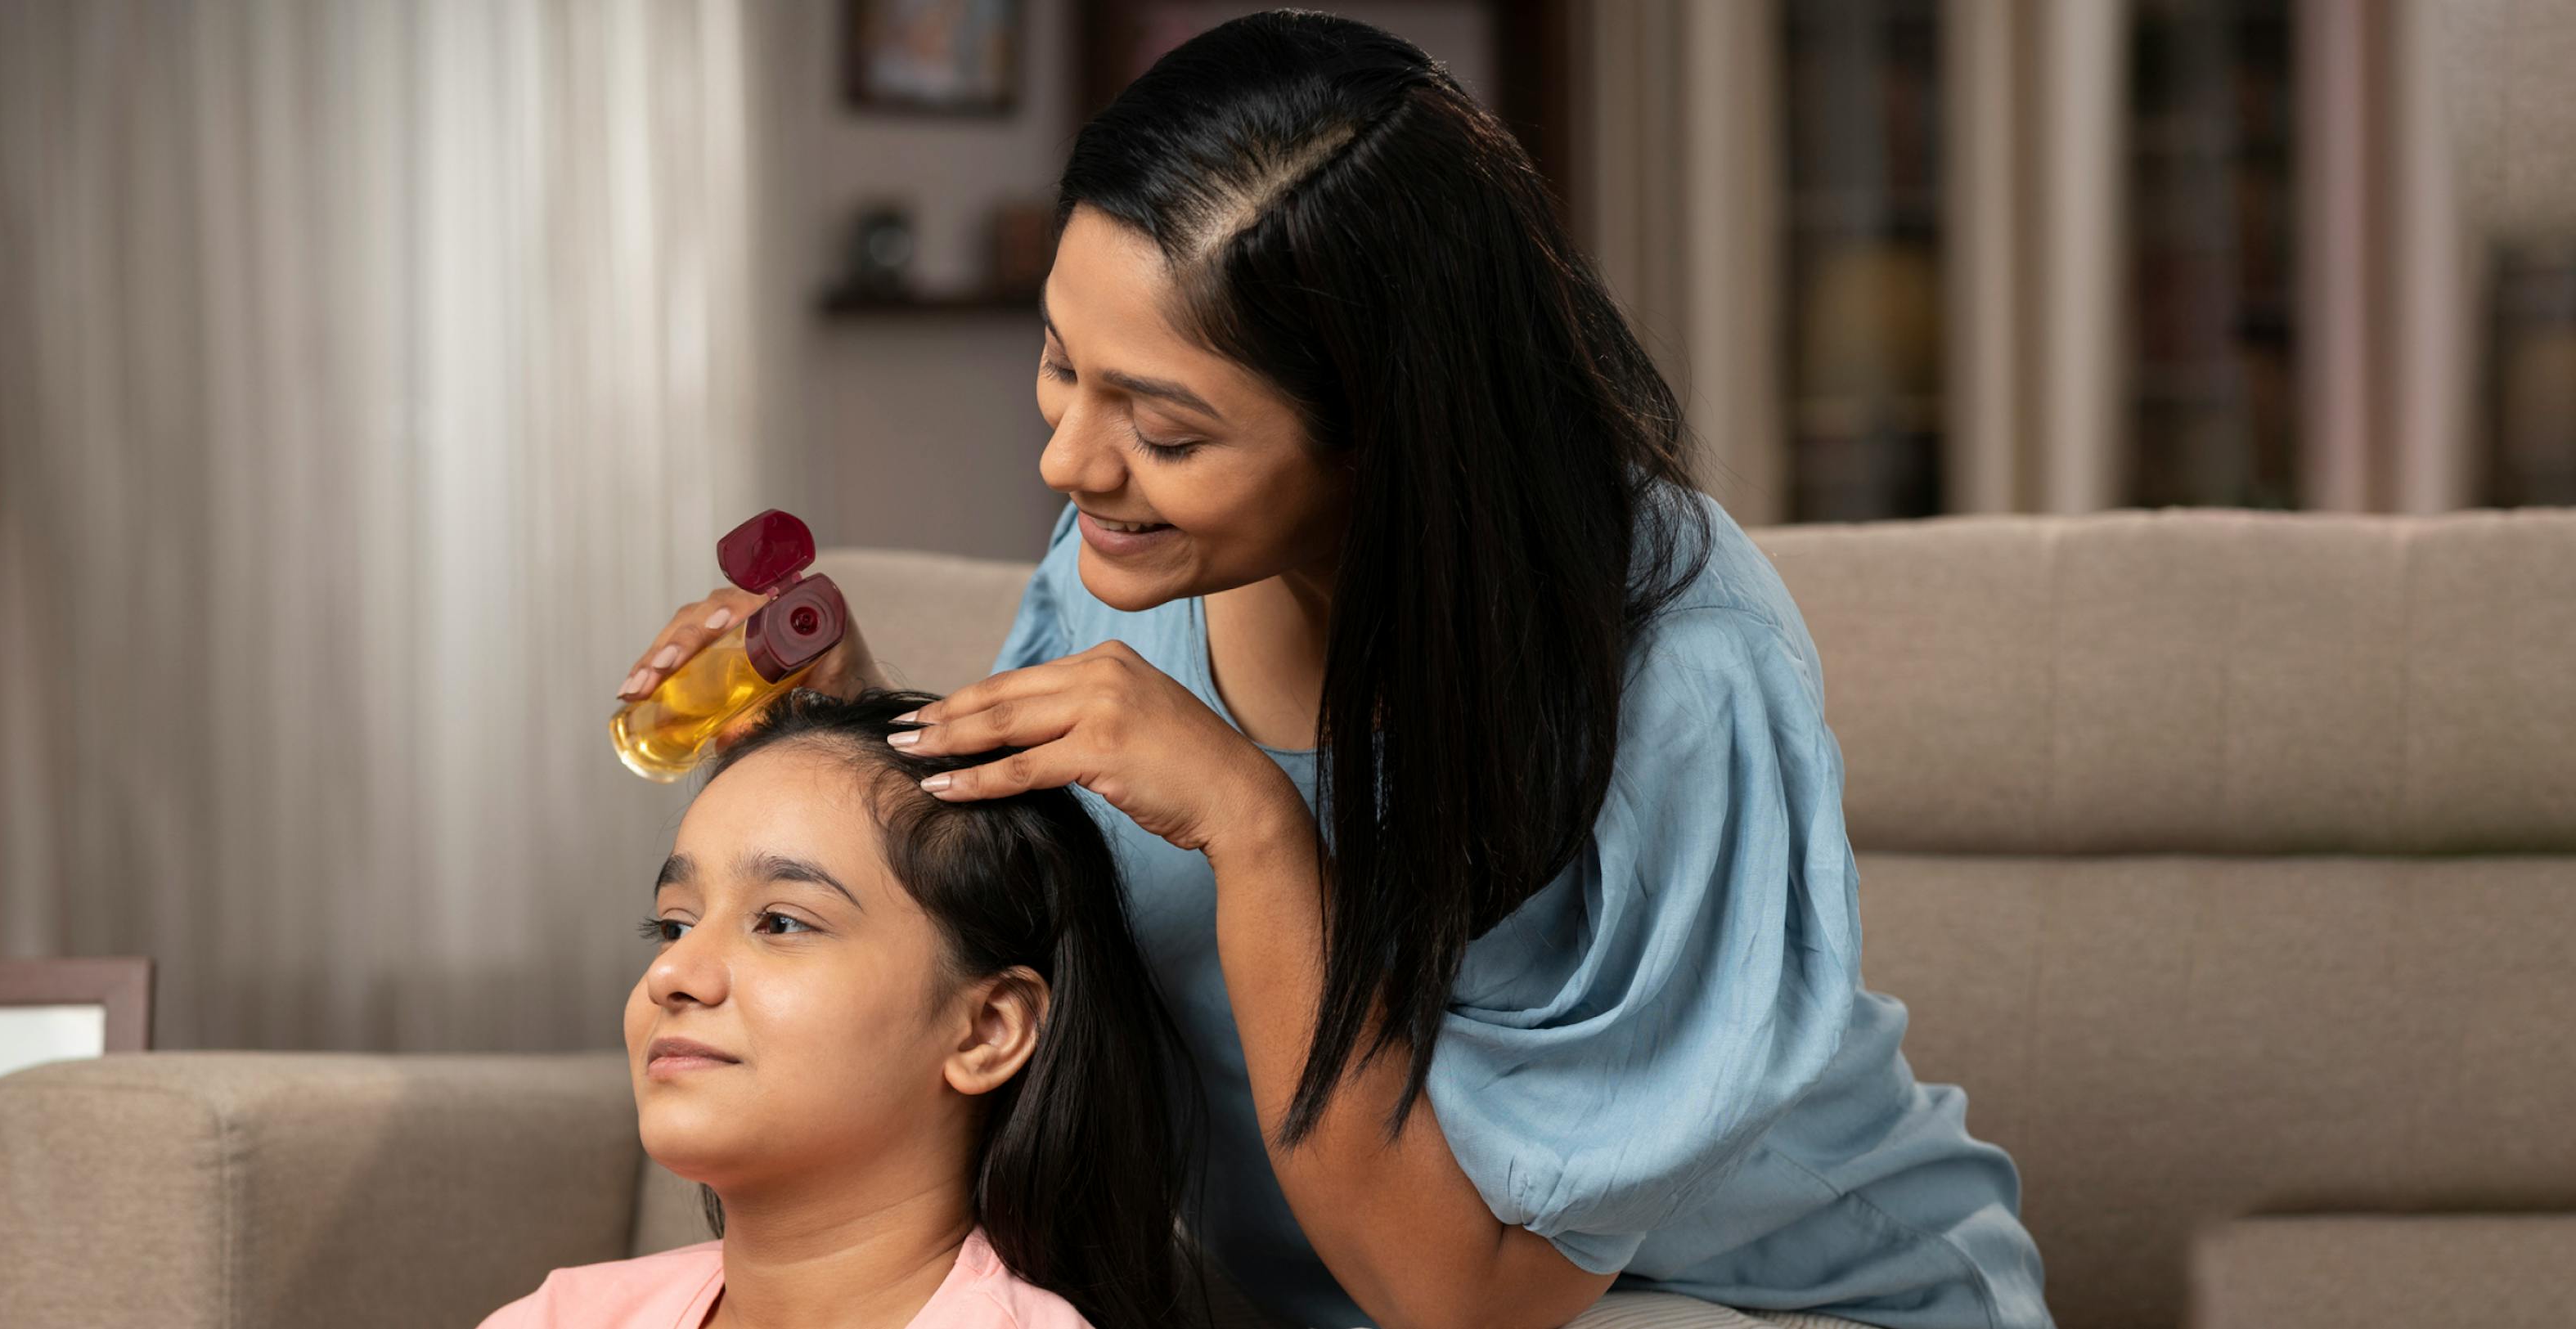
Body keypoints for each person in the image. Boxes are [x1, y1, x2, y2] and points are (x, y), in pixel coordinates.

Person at [616, 13, 2049, 1329]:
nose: (1070, 462)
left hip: (1752, 1302)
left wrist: (1252, 825)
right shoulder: (1126, 562)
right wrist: (864, 734)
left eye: (1166, 430)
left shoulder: (1680, 672)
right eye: (1063, 366)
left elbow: (1468, 1301)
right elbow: (1033, 939)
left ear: (1388, 431)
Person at [483, 689, 1199, 1329]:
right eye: (674, 924)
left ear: (987, 1030)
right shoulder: (560, 1314)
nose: (672, 972)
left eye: (782, 922)